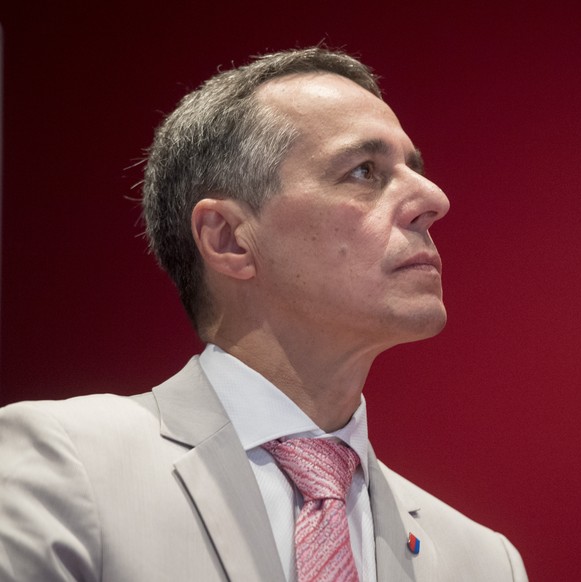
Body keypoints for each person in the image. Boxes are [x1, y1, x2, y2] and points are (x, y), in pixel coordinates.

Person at [0, 47, 527, 581]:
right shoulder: (66, 466)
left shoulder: (483, 562)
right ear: (229, 239)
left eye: (414, 169)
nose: (433, 198)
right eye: (364, 171)